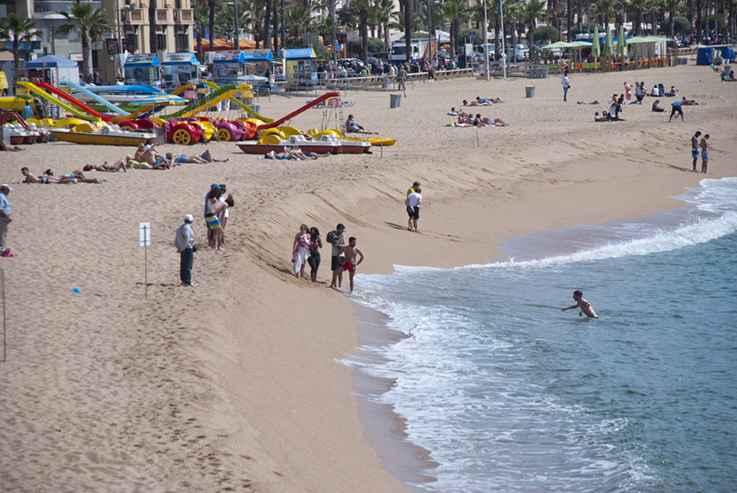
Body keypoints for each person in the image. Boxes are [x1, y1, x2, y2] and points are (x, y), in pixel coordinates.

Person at [175, 214, 196, 287]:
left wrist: (179, 248)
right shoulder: (188, 228)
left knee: (183, 265)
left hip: (182, 248)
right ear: (191, 221)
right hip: (187, 248)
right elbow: (187, 239)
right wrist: (182, 248)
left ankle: (183, 280)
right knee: (188, 265)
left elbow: (176, 240)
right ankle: (188, 281)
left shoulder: (179, 228)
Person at [329, 223, 346, 289]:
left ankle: (340, 285)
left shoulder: (343, 236)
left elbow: (344, 244)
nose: (342, 231)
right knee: (335, 270)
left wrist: (340, 244)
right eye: (341, 230)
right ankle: (333, 284)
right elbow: (335, 244)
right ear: (338, 229)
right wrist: (339, 238)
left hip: (342, 255)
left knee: (340, 271)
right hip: (335, 254)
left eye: (343, 230)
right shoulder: (334, 235)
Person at [0, 184, 14, 257]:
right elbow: (1, 209)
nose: (9, 192)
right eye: (8, 190)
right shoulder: (1, 196)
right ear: (5, 190)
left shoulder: (2, 196)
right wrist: (7, 217)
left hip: (3, 217)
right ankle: (2, 250)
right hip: (2, 217)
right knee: (3, 233)